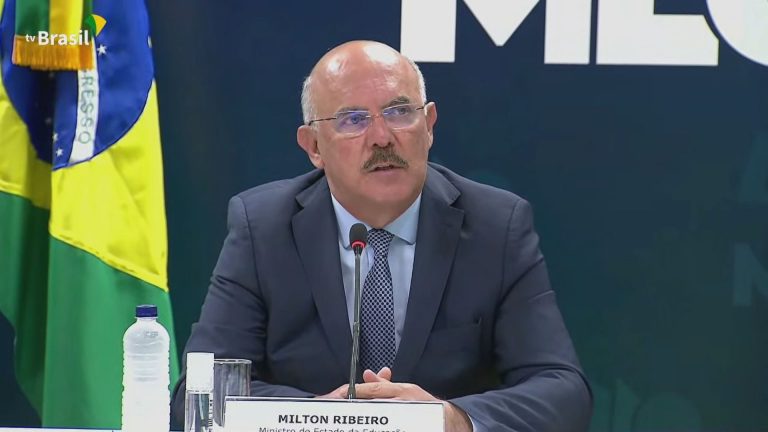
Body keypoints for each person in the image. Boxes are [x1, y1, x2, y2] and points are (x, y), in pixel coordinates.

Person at [171, 40, 592, 432]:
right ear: (313, 146)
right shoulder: (264, 228)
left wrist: (452, 419)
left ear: (429, 125)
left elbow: (563, 390)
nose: (382, 137)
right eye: (353, 120)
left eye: (399, 111)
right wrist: (315, 418)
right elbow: (198, 392)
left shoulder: (495, 226)